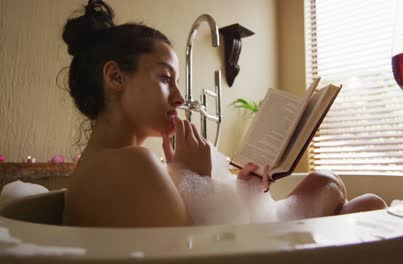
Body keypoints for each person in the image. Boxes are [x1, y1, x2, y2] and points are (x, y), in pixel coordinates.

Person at [62, 0, 386, 227]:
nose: (179, 97)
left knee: (343, 192)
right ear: (116, 77)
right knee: (353, 196)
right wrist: (195, 178)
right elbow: (204, 250)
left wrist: (235, 191)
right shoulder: (133, 162)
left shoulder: (100, 164)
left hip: (253, 236)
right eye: (165, 78)